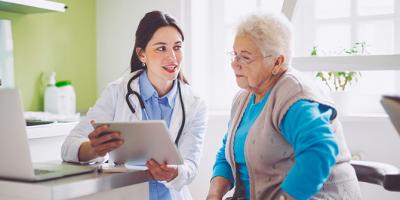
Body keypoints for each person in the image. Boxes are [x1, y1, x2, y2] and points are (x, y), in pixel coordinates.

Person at [206, 13, 362, 200]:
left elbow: (320, 149)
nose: (234, 64)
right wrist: (214, 195)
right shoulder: (243, 98)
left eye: (245, 57)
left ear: (277, 62)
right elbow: (227, 151)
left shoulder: (295, 95)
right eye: (235, 54)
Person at [61, 10, 207, 200]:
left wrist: (175, 172)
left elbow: (191, 166)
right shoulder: (117, 92)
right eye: (161, 48)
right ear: (141, 54)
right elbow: (68, 147)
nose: (173, 57)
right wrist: (94, 149)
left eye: (177, 47)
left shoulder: (195, 104)